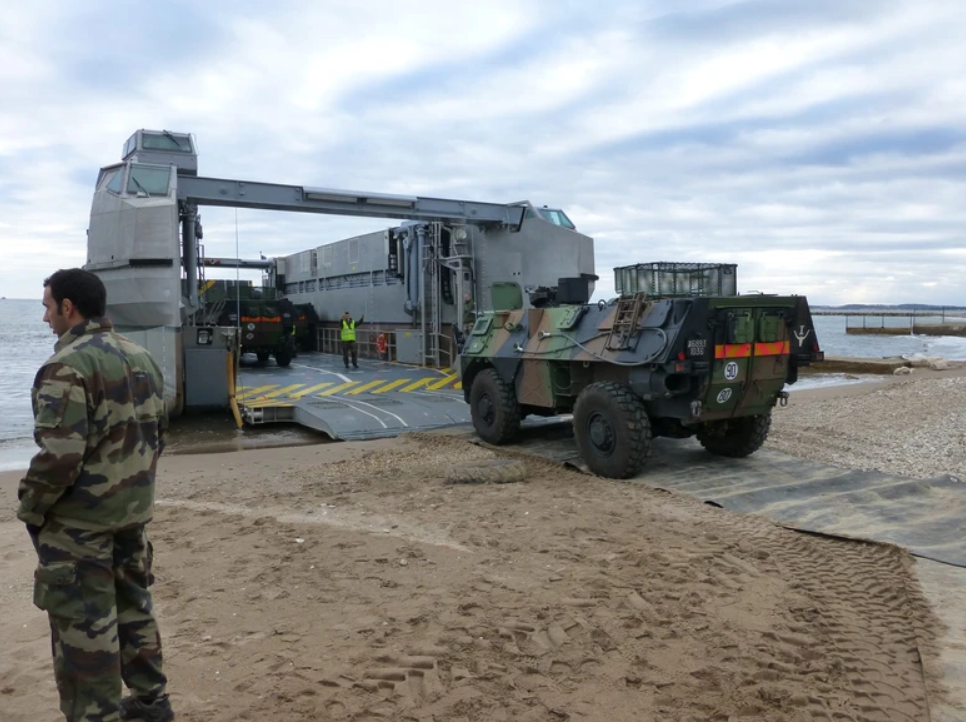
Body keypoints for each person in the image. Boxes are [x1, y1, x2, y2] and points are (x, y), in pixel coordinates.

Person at [17, 268, 174, 722]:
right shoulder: (142, 357)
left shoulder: (66, 366)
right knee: (134, 607)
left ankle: (96, 713)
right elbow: (157, 434)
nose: (45, 317)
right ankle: (151, 703)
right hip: (132, 512)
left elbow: (60, 457)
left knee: (86, 625)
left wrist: (32, 508)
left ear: (69, 308)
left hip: (80, 524)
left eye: (48, 306)